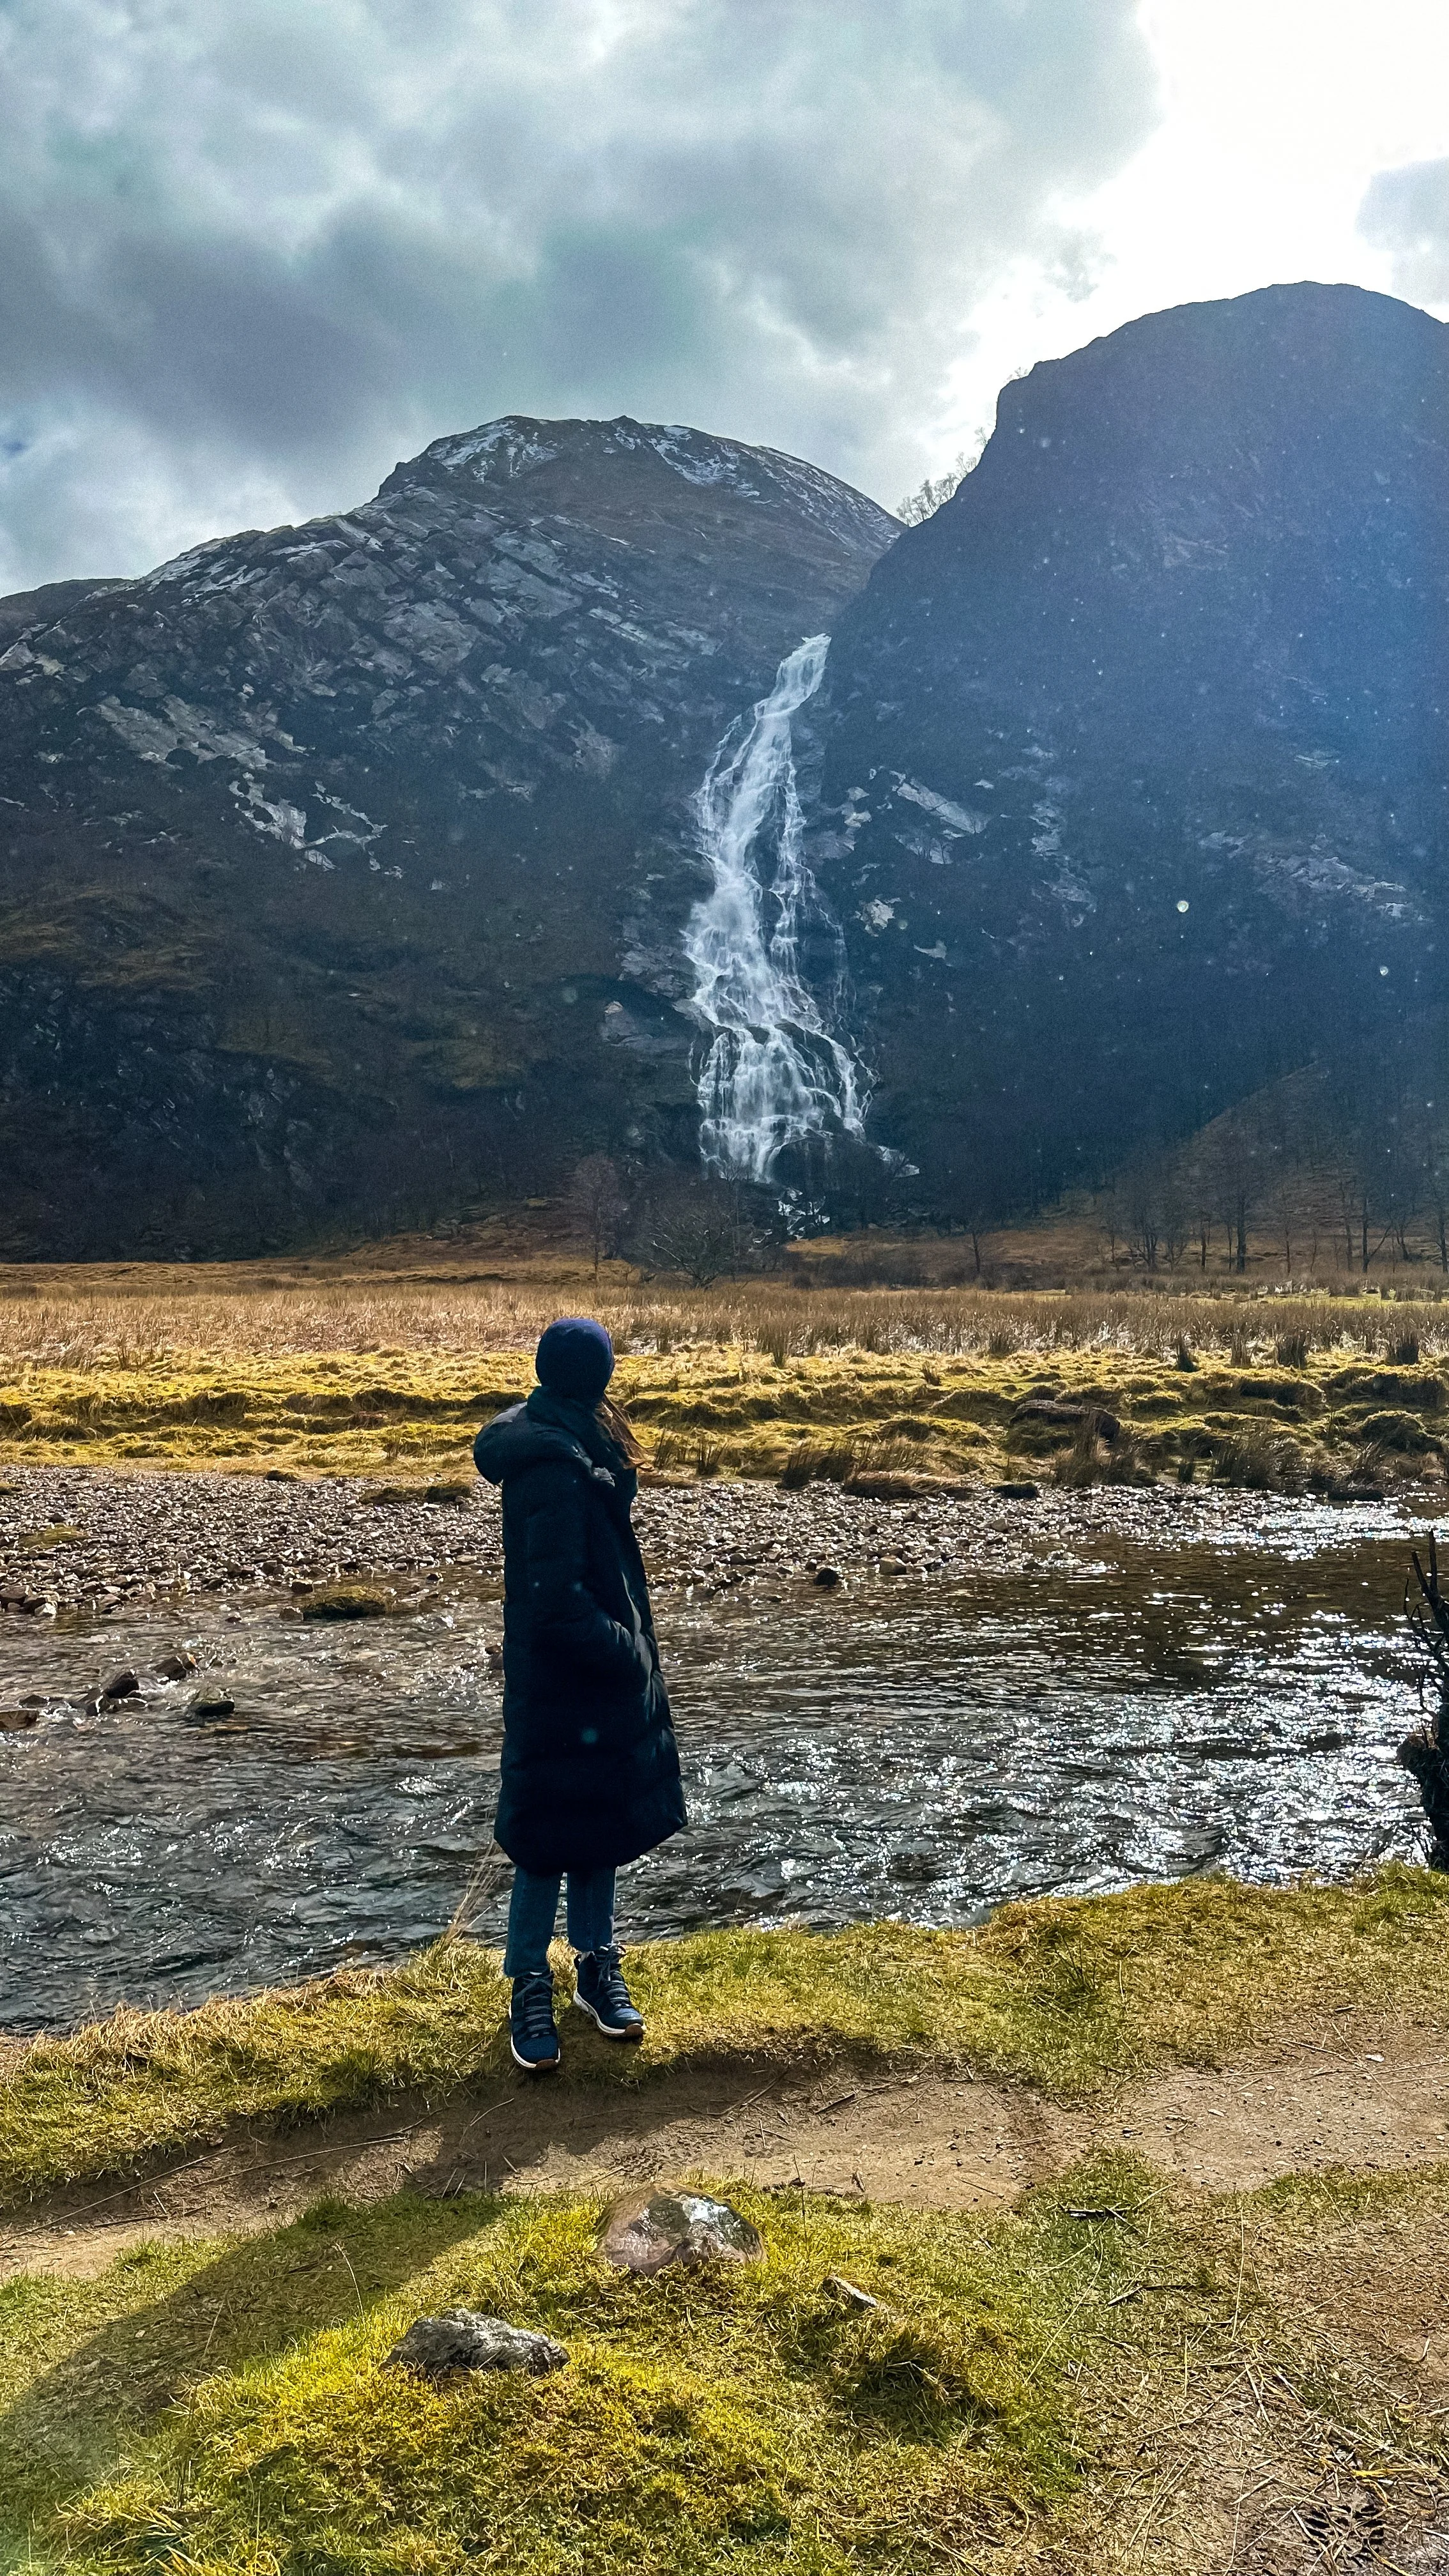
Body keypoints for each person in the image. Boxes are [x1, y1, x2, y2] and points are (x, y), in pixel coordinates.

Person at [473, 1316, 686, 2071]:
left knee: (596, 1827)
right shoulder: (551, 1462)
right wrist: (627, 1652)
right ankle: (528, 1983)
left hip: (588, 1680)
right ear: (596, 1377)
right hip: (565, 1680)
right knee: (543, 1841)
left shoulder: (572, 1438)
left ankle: (596, 1967)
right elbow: (555, 1600)